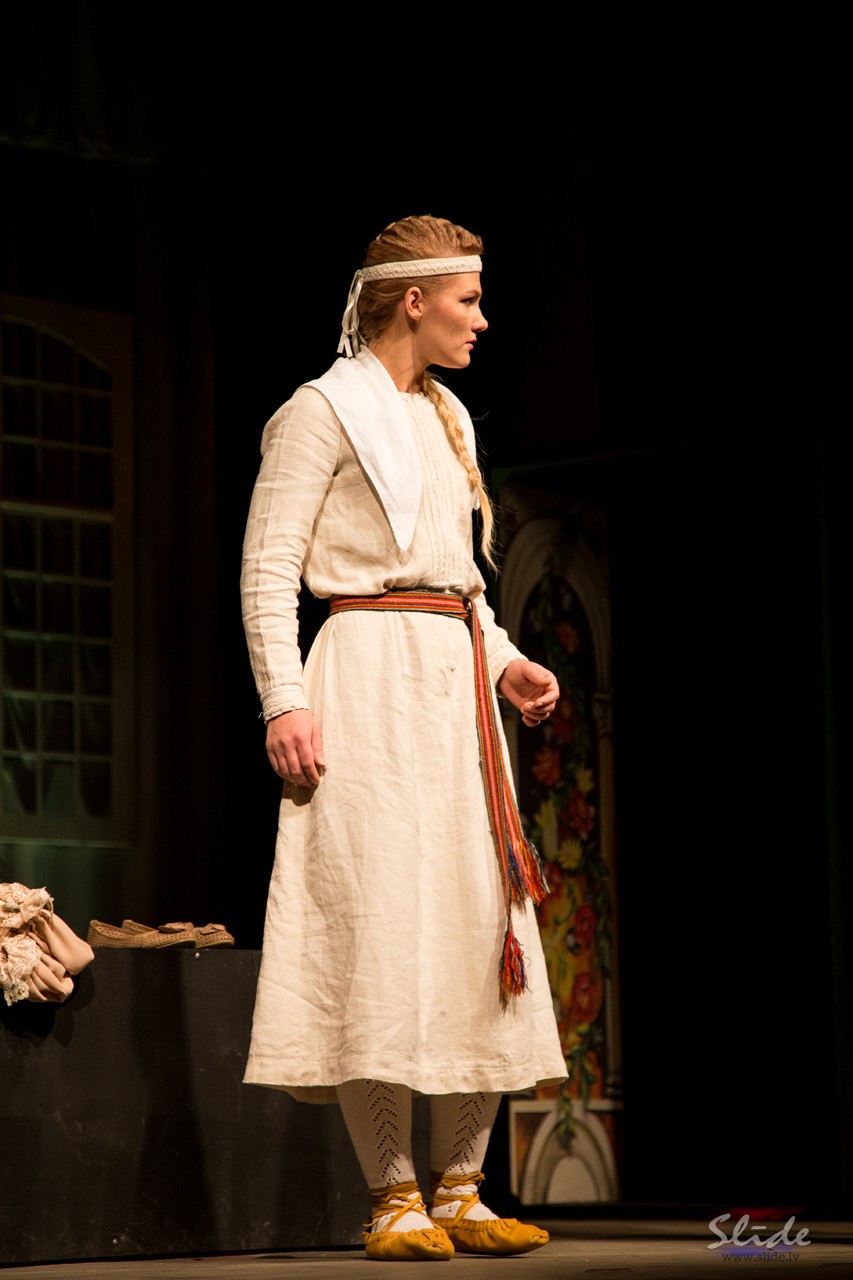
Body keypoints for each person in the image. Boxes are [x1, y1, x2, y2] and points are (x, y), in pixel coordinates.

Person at [240, 214, 568, 1262]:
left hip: (451, 685)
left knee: (476, 920)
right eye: (467, 300)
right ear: (413, 300)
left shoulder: (448, 414)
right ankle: (394, 1194)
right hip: (366, 678)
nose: (481, 320)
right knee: (375, 924)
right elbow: (267, 568)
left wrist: (505, 658)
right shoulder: (319, 411)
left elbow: (458, 581)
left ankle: (462, 1188)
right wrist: (283, 700)